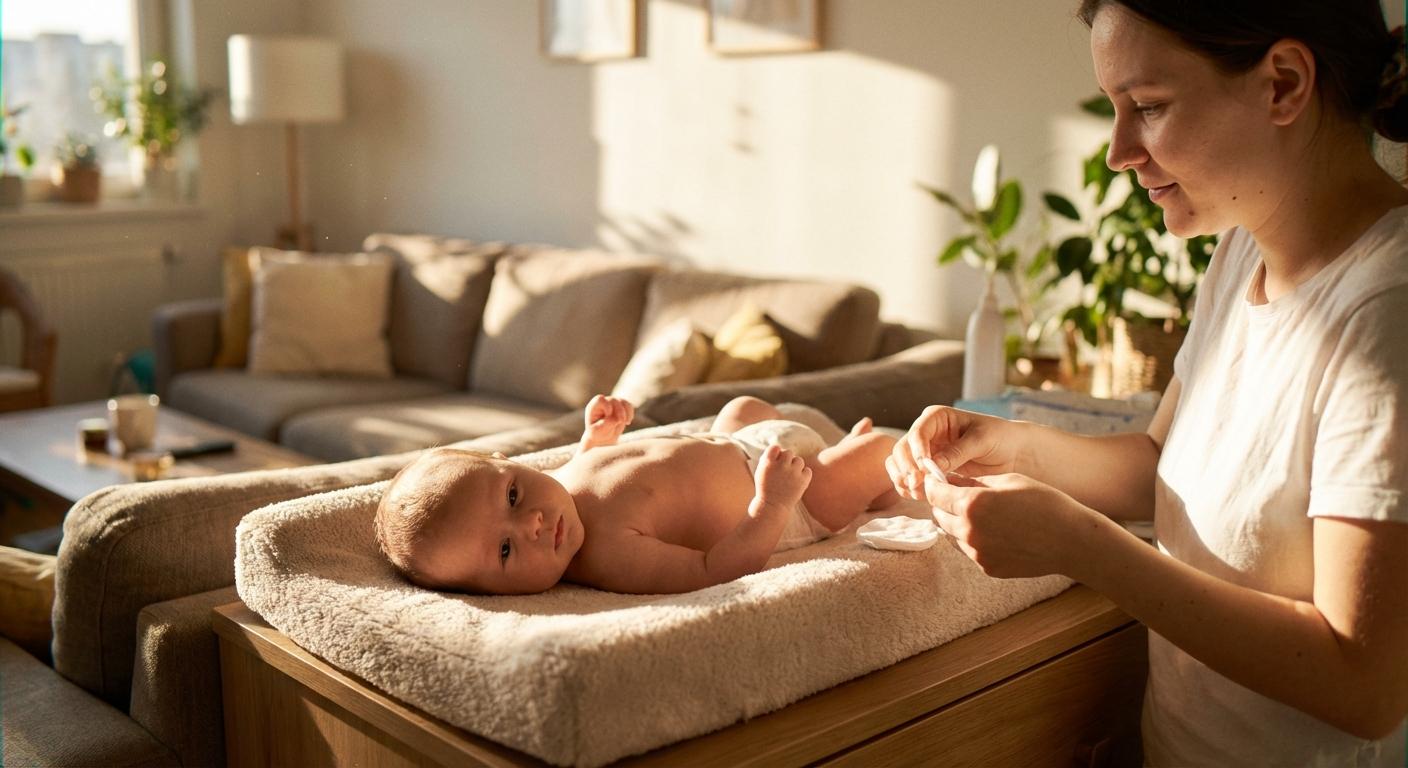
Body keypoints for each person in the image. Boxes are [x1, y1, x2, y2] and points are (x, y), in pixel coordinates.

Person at [887, 1, 1408, 764]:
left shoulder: (1385, 316)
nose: (1118, 151)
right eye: (1115, 109)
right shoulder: (1240, 257)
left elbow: (1365, 686)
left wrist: (1084, 547)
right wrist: (1015, 447)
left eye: (1149, 108)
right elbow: (1162, 466)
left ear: (1285, 84)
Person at [376, 395, 899, 595]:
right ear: (493, 593)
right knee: (880, 450)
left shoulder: (558, 484)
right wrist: (772, 504)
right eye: (507, 550)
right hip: (793, 501)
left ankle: (841, 459)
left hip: (738, 443)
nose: (532, 522)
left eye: (512, 496)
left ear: (508, 465)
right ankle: (868, 484)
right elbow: (715, 571)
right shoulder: (608, 556)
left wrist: (598, 439)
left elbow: (593, 466)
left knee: (744, 405)